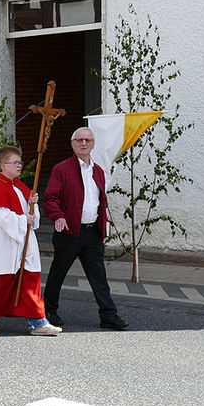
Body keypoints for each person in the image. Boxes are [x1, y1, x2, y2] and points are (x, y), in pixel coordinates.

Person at [0, 146, 61, 336]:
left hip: (21, 245)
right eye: (15, 162)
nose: (19, 166)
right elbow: (2, 217)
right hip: (1, 246)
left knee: (28, 283)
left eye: (20, 162)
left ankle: (38, 323)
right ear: (3, 165)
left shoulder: (19, 186)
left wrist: (31, 203)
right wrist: (22, 220)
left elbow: (30, 217)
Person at [42, 127, 129, 330]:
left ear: (93, 144)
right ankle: (48, 311)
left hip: (92, 233)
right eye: (79, 140)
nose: (84, 143)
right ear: (72, 144)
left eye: (88, 140)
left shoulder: (97, 170)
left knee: (99, 277)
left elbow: (99, 201)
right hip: (69, 233)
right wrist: (58, 216)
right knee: (58, 273)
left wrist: (102, 228)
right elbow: (51, 199)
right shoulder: (61, 169)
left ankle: (108, 315)